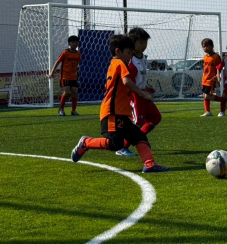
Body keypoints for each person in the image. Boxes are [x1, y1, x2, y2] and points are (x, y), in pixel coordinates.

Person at [71, 34, 169, 173]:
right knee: (115, 143)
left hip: (120, 113)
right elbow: (127, 82)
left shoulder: (115, 64)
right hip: (112, 112)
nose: (130, 56)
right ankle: (86, 143)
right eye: (129, 52)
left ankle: (149, 164)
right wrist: (144, 94)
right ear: (118, 51)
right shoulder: (120, 63)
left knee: (140, 137)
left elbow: (124, 85)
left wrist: (143, 90)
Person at [115, 27, 161, 157]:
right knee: (138, 122)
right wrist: (141, 92)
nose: (144, 45)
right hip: (135, 95)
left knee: (156, 118)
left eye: (145, 42)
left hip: (143, 93)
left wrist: (146, 88)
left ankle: (140, 139)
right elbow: (129, 82)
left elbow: (139, 78)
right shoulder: (130, 61)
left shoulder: (143, 58)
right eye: (141, 42)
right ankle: (122, 147)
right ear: (132, 43)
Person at [48, 35, 81, 116]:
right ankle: (61, 109)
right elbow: (58, 62)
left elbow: (77, 64)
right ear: (69, 43)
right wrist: (52, 72)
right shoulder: (65, 52)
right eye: (73, 42)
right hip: (65, 76)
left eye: (76, 42)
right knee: (67, 92)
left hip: (73, 76)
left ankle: (73, 111)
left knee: (74, 93)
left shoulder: (78, 54)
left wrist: (76, 71)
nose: (75, 44)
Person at [200, 38, 224, 117]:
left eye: (207, 46)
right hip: (205, 79)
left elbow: (219, 67)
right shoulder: (205, 57)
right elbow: (205, 69)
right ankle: (208, 112)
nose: (205, 48)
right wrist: (203, 79)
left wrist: (217, 76)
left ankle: (223, 100)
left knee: (207, 96)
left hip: (211, 79)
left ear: (212, 46)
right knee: (205, 96)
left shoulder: (216, 57)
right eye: (204, 47)